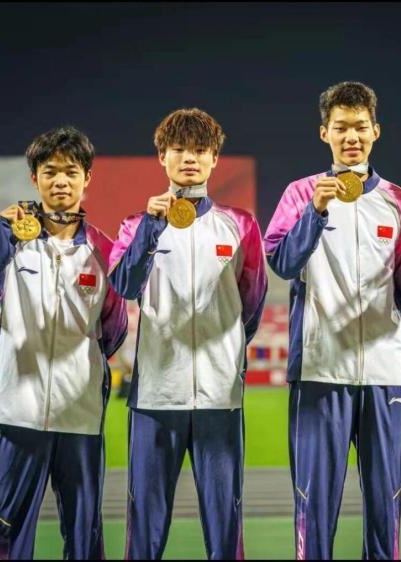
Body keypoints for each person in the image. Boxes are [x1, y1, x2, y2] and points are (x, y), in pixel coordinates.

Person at [263, 81, 401, 560]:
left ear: (376, 131)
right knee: (314, 509)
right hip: (320, 372)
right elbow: (282, 263)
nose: (351, 136)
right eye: (340, 127)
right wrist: (315, 212)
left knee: (385, 506)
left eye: (360, 127)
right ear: (324, 133)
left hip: (382, 375)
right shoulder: (299, 194)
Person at [108, 107, 267, 560]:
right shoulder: (135, 225)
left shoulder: (241, 225)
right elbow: (123, 286)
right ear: (162, 156)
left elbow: (252, 302)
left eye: (200, 150)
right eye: (179, 149)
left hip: (220, 397)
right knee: (145, 526)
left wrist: (226, 353)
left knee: (224, 525)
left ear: (215, 158)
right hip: (155, 397)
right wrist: (151, 228)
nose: (190, 158)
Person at [0, 126, 128, 560]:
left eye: (71, 172)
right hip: (19, 412)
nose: (60, 181)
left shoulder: (105, 249)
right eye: (50, 171)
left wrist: (79, 370)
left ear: (87, 178)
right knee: (9, 530)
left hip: (80, 414)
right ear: (34, 178)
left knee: (84, 533)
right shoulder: (8, 239)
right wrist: (5, 236)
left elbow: (114, 329)